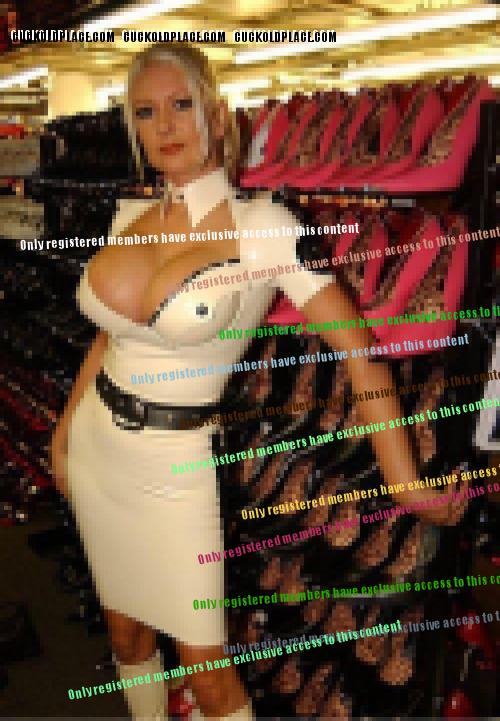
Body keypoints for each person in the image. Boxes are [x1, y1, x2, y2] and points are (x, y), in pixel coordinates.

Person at [50, 43, 469, 721]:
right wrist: (66, 431)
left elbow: (361, 353)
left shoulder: (265, 229)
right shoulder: (128, 217)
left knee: (209, 672)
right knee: (125, 634)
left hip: (175, 467)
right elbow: (108, 338)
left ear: (216, 114)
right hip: (100, 450)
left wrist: (403, 481)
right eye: (146, 112)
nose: (165, 126)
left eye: (181, 104)